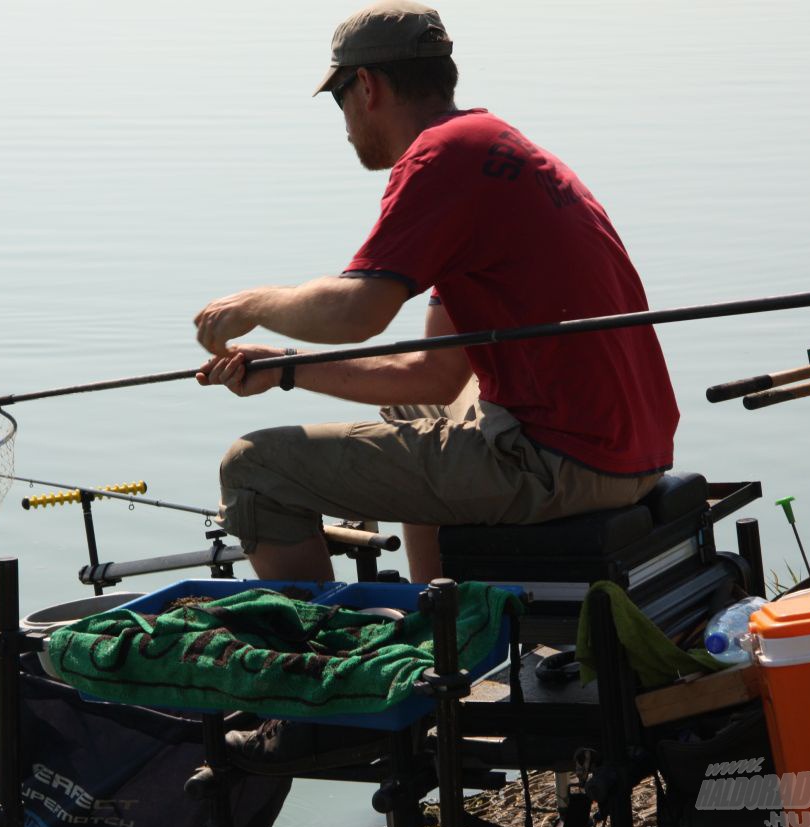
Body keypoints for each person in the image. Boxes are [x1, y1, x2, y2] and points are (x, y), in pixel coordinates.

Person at [195, 1, 679, 588]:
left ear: (366, 86)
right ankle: (437, 617)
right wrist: (288, 369)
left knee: (254, 467)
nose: (344, 121)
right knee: (414, 412)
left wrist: (253, 304)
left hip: (556, 461)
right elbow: (430, 377)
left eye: (339, 99)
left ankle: (324, 648)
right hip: (631, 448)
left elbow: (357, 312)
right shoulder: (496, 147)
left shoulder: (437, 159)